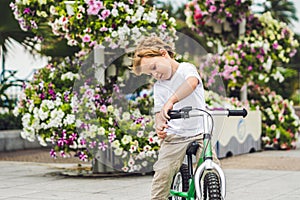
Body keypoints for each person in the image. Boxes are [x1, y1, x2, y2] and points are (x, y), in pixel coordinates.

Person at [131, 36, 219, 200]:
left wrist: (171, 101)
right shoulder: (159, 87)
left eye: (154, 67)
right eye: (150, 73)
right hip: (175, 135)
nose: (155, 74)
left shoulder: (186, 69)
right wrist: (159, 125)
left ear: (164, 54)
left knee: (211, 167)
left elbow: (192, 83)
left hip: (200, 132)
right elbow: (159, 113)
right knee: (163, 173)